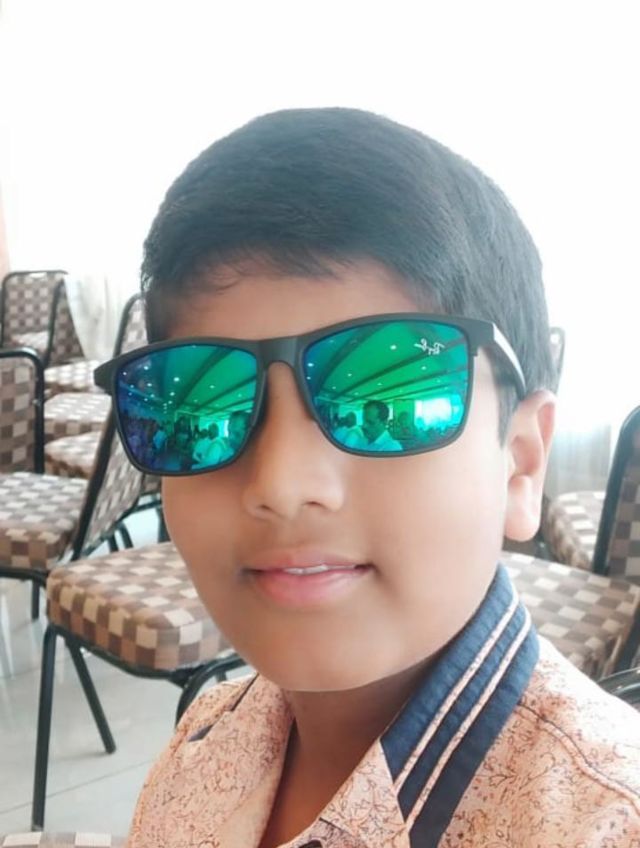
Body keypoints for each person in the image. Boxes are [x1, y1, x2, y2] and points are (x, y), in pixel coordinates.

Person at [111, 108, 639, 847]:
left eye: (388, 402)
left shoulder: (608, 822)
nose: (282, 484)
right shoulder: (202, 739)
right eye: (205, 406)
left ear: (521, 461)